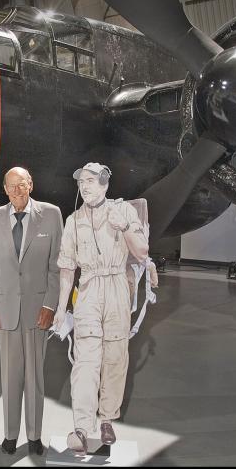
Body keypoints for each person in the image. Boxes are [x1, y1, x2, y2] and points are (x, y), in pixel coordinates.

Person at [53, 162, 149, 455]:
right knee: (85, 361)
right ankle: (81, 427)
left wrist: (125, 229)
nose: (84, 186)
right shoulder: (74, 221)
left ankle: (107, 419)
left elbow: (142, 251)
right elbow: (68, 268)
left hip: (117, 284)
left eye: (91, 181)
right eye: (81, 182)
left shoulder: (124, 212)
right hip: (90, 289)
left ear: (105, 183)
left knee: (115, 355)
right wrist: (60, 309)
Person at [0, 166, 64, 456]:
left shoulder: (52, 214)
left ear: (31, 184)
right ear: (4, 189)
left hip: (36, 310)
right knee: (9, 375)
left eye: (22, 184)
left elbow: (57, 267)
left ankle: (33, 436)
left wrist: (50, 305)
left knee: (34, 377)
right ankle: (9, 434)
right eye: (11, 186)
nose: (17, 190)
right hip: (4, 310)